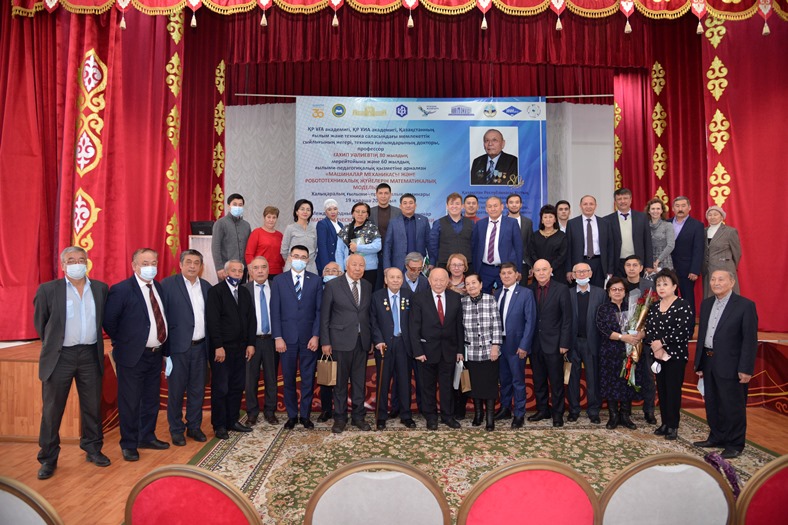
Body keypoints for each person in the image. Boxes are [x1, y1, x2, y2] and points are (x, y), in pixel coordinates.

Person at [33, 247, 110, 480]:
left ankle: (92, 448)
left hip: (90, 354)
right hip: (60, 357)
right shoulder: (48, 290)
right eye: (71, 260)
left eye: (81, 259)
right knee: (52, 410)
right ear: (63, 265)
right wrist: (55, 344)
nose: (77, 263)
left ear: (87, 263)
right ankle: (48, 458)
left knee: (92, 406)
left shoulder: (100, 288)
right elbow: (41, 324)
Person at [104, 248, 170, 461]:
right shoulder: (122, 290)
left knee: (151, 399)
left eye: (153, 263)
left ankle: (147, 436)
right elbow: (109, 322)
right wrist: (126, 342)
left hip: (155, 354)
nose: (150, 267)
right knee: (130, 402)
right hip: (132, 356)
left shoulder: (158, 287)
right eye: (145, 263)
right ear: (134, 266)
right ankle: (129, 443)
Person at [693, 270, 758, 459]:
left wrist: (745, 368)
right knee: (712, 402)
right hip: (709, 360)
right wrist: (699, 363)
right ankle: (717, 436)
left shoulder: (745, 306)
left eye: (721, 279)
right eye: (713, 279)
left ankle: (735, 443)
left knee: (732, 405)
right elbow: (702, 335)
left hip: (732, 364)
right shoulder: (706, 304)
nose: (716, 283)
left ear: (732, 282)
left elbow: (749, 340)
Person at [161, 250, 211, 447]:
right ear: (181, 264)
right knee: (176, 391)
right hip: (177, 349)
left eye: (196, 262)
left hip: (201, 348)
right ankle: (176, 429)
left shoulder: (206, 287)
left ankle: (194, 426)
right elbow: (161, 318)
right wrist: (166, 351)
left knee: (197, 390)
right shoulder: (167, 285)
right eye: (188, 262)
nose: (192, 266)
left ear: (201, 267)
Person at [320, 254, 373, 434]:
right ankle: (340, 418)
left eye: (361, 265)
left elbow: (368, 315)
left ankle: (358, 417)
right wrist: (325, 341)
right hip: (339, 342)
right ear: (346, 266)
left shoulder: (367, 285)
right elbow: (325, 316)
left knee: (359, 382)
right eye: (354, 264)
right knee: (340, 384)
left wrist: (370, 339)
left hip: (361, 342)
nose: (358, 268)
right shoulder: (333, 285)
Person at [271, 246, 322, 429]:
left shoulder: (316, 280)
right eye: (296, 256)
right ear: (290, 258)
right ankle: (292, 415)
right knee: (289, 379)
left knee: (308, 379)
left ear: (308, 260)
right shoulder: (279, 280)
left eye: (303, 257)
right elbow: (275, 311)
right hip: (286, 339)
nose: (299, 259)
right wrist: (278, 336)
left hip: (309, 339)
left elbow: (319, 311)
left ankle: (305, 416)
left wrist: (316, 335)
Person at [205, 259, 256, 440]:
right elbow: (213, 321)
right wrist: (218, 346)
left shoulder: (244, 292)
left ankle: (232, 420)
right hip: (222, 350)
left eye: (240, 271)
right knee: (221, 388)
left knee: (236, 386)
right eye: (233, 271)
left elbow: (251, 319)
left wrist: (251, 343)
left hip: (241, 348)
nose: (237, 274)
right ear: (226, 273)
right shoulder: (216, 292)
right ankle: (219, 425)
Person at [409, 268, 464, 430]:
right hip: (426, 351)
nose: (439, 283)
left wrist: (460, 350)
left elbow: (459, 326)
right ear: (429, 281)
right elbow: (414, 327)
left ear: (448, 281)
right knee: (428, 386)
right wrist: (418, 351)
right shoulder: (419, 298)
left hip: (449, 350)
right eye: (435, 280)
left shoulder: (455, 298)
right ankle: (431, 417)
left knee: (447, 386)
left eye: (442, 280)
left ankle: (448, 416)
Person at [643, 269, 694, 440]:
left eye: (665, 284)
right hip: (658, 355)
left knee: (673, 391)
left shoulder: (682, 305)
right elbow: (649, 329)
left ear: (674, 286)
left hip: (675, 356)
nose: (661, 288)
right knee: (662, 390)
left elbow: (684, 331)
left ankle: (673, 425)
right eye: (658, 284)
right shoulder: (655, 306)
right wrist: (656, 346)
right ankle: (664, 423)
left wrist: (662, 342)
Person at [595, 277, 646, 431]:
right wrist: (622, 337)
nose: (617, 292)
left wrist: (638, 335)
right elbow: (603, 330)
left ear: (625, 292)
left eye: (620, 289)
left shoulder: (633, 307)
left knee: (627, 383)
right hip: (610, 352)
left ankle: (625, 416)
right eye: (614, 289)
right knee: (611, 383)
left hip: (629, 351)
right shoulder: (603, 309)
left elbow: (642, 325)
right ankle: (613, 416)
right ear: (609, 292)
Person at [370, 267, 416, 430]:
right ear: (385, 280)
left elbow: (414, 321)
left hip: (404, 344)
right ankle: (381, 416)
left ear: (402, 280)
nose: (395, 280)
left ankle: (406, 415)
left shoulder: (409, 295)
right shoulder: (377, 297)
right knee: (383, 382)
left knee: (404, 381)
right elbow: (373, 321)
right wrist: (378, 340)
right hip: (384, 345)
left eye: (398, 277)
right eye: (392, 277)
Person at [528, 259, 572, 426]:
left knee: (556, 381)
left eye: (544, 269)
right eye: (537, 270)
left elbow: (567, 318)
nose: (541, 273)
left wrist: (564, 343)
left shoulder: (561, 289)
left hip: (555, 344)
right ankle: (542, 410)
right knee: (538, 380)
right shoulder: (529, 289)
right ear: (533, 272)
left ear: (550, 270)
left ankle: (557, 413)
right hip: (535, 343)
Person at [495, 262, 537, 428]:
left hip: (517, 345)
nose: (506, 276)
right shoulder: (497, 293)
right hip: (500, 344)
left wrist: (524, 345)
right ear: (500, 276)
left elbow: (530, 321)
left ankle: (519, 413)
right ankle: (505, 408)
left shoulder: (526, 293)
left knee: (517, 380)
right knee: (504, 379)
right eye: (503, 273)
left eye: (509, 273)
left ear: (517, 275)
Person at [461, 273, 503, 431]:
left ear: (480, 284)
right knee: (475, 385)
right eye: (468, 283)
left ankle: (490, 418)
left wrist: (495, 346)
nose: (471, 286)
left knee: (490, 385)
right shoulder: (462, 303)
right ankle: (478, 414)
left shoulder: (490, 299)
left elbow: (497, 324)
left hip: (489, 350)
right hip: (471, 352)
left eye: (474, 283)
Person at [567, 262, 605, 424]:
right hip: (572, 342)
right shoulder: (567, 293)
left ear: (590, 273)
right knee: (572, 378)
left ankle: (593, 411)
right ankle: (573, 410)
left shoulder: (601, 293)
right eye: (578, 272)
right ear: (573, 275)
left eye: (584, 271)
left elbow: (604, 318)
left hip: (592, 342)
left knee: (593, 378)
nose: (581, 274)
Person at [244, 256, 280, 426]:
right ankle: (252, 413)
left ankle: (270, 411)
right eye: (256, 268)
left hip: (272, 340)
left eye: (263, 267)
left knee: (271, 378)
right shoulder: (243, 290)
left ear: (268, 269)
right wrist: (247, 342)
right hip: (251, 342)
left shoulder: (276, 287)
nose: (260, 271)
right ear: (250, 271)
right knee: (250, 379)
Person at [621, 255, 658, 424]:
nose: (631, 268)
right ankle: (625, 410)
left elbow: (655, 313)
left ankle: (649, 410)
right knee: (627, 373)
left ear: (641, 268)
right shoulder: (619, 285)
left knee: (648, 376)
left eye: (635, 265)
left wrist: (644, 333)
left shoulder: (650, 286)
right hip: (625, 338)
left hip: (645, 338)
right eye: (628, 265)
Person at [471, 196, 523, 293]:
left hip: (505, 268)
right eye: (490, 206)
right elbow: (474, 247)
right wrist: (475, 269)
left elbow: (518, 248)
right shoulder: (480, 224)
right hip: (484, 269)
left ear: (502, 207)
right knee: (483, 297)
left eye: (495, 206)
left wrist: (518, 270)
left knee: (506, 296)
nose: (493, 209)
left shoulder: (512, 223)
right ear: (486, 209)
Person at [565, 195, 614, 288]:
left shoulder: (605, 223)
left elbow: (610, 247)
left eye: (591, 204)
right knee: (581, 291)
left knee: (599, 292)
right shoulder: (572, 224)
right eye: (585, 204)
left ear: (595, 206)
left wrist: (610, 270)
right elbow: (568, 249)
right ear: (580, 206)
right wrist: (568, 270)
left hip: (599, 264)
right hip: (579, 263)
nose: (588, 206)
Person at [605, 188, 653, 276]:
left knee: (637, 285)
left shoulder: (642, 217)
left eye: (625, 198)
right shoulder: (607, 220)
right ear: (615, 202)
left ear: (631, 200)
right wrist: (609, 268)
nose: (622, 201)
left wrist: (649, 264)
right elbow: (606, 246)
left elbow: (647, 241)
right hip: (617, 263)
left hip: (637, 261)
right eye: (619, 199)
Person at [317, 261, 343, 422]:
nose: (331, 273)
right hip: (322, 339)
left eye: (335, 271)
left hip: (342, 340)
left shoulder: (345, 290)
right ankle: (326, 409)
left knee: (341, 377)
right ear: (322, 274)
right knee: (325, 374)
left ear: (341, 274)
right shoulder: (317, 290)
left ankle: (341, 409)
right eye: (327, 270)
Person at [669, 196, 704, 313]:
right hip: (668, 268)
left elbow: (698, 249)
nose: (680, 209)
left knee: (687, 299)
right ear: (673, 208)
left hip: (687, 270)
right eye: (677, 206)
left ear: (689, 207)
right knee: (669, 298)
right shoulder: (666, 223)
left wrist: (695, 270)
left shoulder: (697, 225)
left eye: (683, 206)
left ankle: (689, 322)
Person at [336, 202, 382, 287]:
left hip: (368, 269)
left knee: (367, 293)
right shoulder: (345, 229)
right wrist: (340, 269)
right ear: (353, 214)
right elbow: (339, 251)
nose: (360, 214)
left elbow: (377, 246)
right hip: (349, 269)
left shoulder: (373, 228)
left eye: (363, 212)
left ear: (367, 215)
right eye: (357, 211)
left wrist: (358, 248)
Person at [702, 206, 742, 299]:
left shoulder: (730, 231)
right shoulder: (703, 231)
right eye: (710, 215)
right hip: (707, 270)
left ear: (722, 217)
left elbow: (737, 252)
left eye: (715, 214)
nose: (712, 217)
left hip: (725, 269)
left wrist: (729, 265)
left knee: (727, 295)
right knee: (710, 297)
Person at [383, 193, 430, 271]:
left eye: (411, 203)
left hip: (420, 265)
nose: (408, 205)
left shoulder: (423, 220)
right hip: (399, 265)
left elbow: (429, 243)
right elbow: (388, 245)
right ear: (400, 206)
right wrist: (387, 266)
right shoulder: (393, 222)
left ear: (415, 205)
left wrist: (432, 262)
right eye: (405, 203)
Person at [429, 192, 474, 272]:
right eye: (451, 204)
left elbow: (474, 244)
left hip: (466, 266)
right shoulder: (438, 223)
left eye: (457, 204)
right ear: (447, 206)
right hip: (444, 265)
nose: (454, 206)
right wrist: (434, 261)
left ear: (462, 206)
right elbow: (433, 246)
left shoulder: (471, 223)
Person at [213, 193, 252, 282]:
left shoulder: (246, 225)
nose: (237, 207)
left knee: (242, 290)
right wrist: (219, 267)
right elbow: (215, 247)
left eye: (240, 205)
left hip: (243, 269)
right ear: (228, 206)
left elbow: (249, 248)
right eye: (234, 204)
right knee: (226, 290)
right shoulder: (220, 223)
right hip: (226, 268)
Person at [370, 183, 401, 290]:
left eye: (386, 193)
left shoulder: (398, 212)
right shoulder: (370, 212)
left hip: (394, 254)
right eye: (380, 193)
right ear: (376, 195)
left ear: (390, 195)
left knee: (394, 283)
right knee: (377, 285)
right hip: (376, 254)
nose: (383, 196)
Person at [528, 204, 567, 281]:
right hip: (539, 273)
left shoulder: (562, 236)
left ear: (555, 219)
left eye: (550, 217)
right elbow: (532, 253)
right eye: (545, 217)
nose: (548, 220)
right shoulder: (535, 236)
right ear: (542, 220)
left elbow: (562, 255)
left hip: (557, 273)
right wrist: (541, 268)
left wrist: (550, 268)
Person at [245, 206, 285, 279]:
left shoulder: (280, 235)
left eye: (274, 217)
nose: (271, 220)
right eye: (268, 217)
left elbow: (282, 256)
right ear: (264, 218)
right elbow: (249, 254)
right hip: (260, 272)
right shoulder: (256, 233)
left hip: (277, 273)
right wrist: (251, 271)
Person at [281, 199, 318, 274]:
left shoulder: (313, 230)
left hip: (310, 267)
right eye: (302, 209)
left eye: (308, 210)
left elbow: (314, 248)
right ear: (296, 212)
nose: (305, 212)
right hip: (293, 266)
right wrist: (293, 261)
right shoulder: (290, 228)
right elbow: (284, 249)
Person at [506, 193, 534, 280]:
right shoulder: (502, 222)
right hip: (506, 264)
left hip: (523, 264)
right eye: (511, 202)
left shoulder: (528, 222)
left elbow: (530, 244)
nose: (514, 205)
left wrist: (531, 265)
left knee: (522, 288)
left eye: (517, 202)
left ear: (521, 205)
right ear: (507, 205)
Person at [645, 197, 674, 270]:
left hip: (664, 261)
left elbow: (670, 245)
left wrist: (658, 260)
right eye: (653, 209)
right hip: (648, 262)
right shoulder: (644, 226)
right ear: (649, 211)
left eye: (658, 209)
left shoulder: (668, 225)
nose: (655, 211)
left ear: (662, 211)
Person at [315, 199, 343, 276]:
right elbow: (322, 246)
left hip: (338, 261)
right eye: (329, 209)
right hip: (327, 261)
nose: (333, 212)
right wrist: (326, 267)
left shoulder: (340, 225)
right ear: (325, 212)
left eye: (335, 209)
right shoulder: (322, 224)